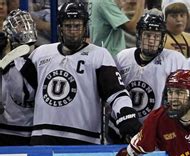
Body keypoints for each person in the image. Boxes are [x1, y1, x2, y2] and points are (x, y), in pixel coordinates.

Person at [20, 1, 141, 145]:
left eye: (77, 26)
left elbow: (116, 93)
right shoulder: (40, 53)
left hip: (83, 139)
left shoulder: (99, 55)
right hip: (43, 136)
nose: (72, 31)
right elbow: (23, 95)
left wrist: (126, 114)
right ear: (60, 28)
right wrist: (9, 58)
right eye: (68, 26)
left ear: (85, 28)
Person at [110, 10, 187, 143]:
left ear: (162, 38)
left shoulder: (175, 59)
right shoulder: (123, 57)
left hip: (157, 132)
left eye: (156, 36)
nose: (151, 41)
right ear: (139, 35)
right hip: (121, 128)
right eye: (148, 35)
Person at [0, 9, 37, 145]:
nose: (25, 28)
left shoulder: (43, 56)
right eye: (19, 24)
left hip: (33, 131)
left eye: (27, 23)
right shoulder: (4, 58)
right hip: (6, 131)